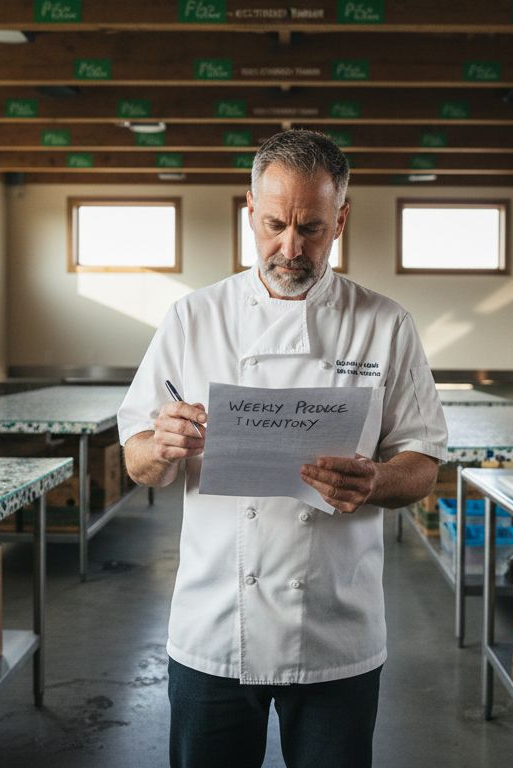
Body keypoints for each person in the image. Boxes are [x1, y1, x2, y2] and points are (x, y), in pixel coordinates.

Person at [118, 129, 448, 768]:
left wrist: (375, 481)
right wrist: (160, 446)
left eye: (312, 229)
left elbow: (422, 464)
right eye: (273, 225)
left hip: (335, 626)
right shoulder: (193, 318)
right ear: (249, 211)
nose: (289, 249)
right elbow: (135, 460)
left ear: (342, 218)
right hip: (213, 621)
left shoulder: (385, 324)